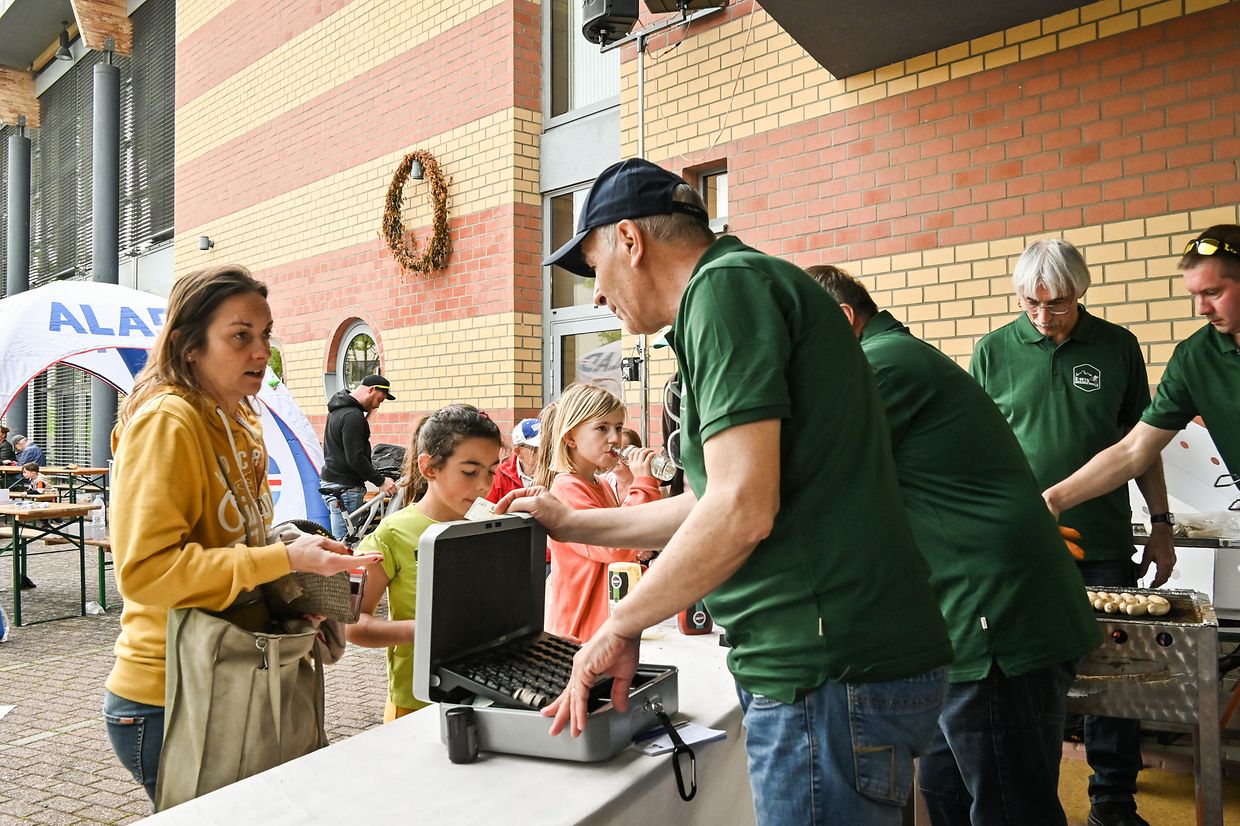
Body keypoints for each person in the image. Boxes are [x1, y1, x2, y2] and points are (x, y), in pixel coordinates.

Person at [498, 158, 952, 826]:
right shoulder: (747, 284)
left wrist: (622, 622)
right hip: (844, 663)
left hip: (823, 668)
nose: (595, 297)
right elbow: (712, 500)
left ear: (630, 240)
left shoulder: (722, 291)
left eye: (594, 267)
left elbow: (741, 509)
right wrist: (575, 523)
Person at [812, 266, 1099, 826]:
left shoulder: (881, 365)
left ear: (842, 319)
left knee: (1009, 806)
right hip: (971, 612)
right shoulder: (892, 357)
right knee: (944, 788)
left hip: (994, 615)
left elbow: (803, 481)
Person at [102, 265, 374, 805]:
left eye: (266, 334)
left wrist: (293, 588)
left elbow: (236, 547)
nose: (261, 352)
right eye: (240, 336)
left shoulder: (242, 419)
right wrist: (282, 561)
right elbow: (145, 574)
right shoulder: (167, 422)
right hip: (171, 695)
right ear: (189, 346)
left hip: (233, 675)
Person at [971, 238, 1173, 826]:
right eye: (1030, 303)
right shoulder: (992, 351)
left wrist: (1160, 524)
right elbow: (976, 450)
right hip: (1024, 546)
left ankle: (1113, 799)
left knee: (1118, 675)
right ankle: (1036, 799)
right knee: (1031, 676)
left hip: (1103, 540)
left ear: (1081, 292)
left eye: (1057, 304)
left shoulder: (1117, 346)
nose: (1043, 316)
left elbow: (1142, 447)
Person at [1045, 225, 1240, 560]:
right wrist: (1053, 499)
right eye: (1194, 295)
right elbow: (1134, 450)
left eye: (1213, 292)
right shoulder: (1195, 358)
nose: (1201, 308)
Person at [347, 404, 502, 722]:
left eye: (491, 471)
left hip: (487, 695)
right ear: (429, 467)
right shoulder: (392, 533)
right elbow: (352, 624)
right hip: (415, 705)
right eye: (470, 472)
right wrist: (426, 631)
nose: (484, 485)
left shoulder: (490, 524)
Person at [539, 383, 659, 643]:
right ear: (570, 437)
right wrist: (643, 484)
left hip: (604, 625)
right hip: (578, 631)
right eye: (602, 428)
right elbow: (616, 545)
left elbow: (632, 549)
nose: (615, 438)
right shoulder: (567, 487)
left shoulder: (602, 484)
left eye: (618, 427)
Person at [320, 374, 399, 539]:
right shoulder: (353, 416)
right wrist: (381, 481)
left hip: (333, 481)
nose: (377, 405)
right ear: (371, 390)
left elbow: (342, 448)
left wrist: (365, 421)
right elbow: (355, 458)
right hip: (346, 487)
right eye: (379, 400)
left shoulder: (338, 410)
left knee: (341, 540)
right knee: (344, 543)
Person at [487, 417, 541, 503]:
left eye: (549, 446)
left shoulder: (558, 473)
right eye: (537, 449)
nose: (545, 453)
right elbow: (487, 508)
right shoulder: (499, 476)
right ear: (519, 452)